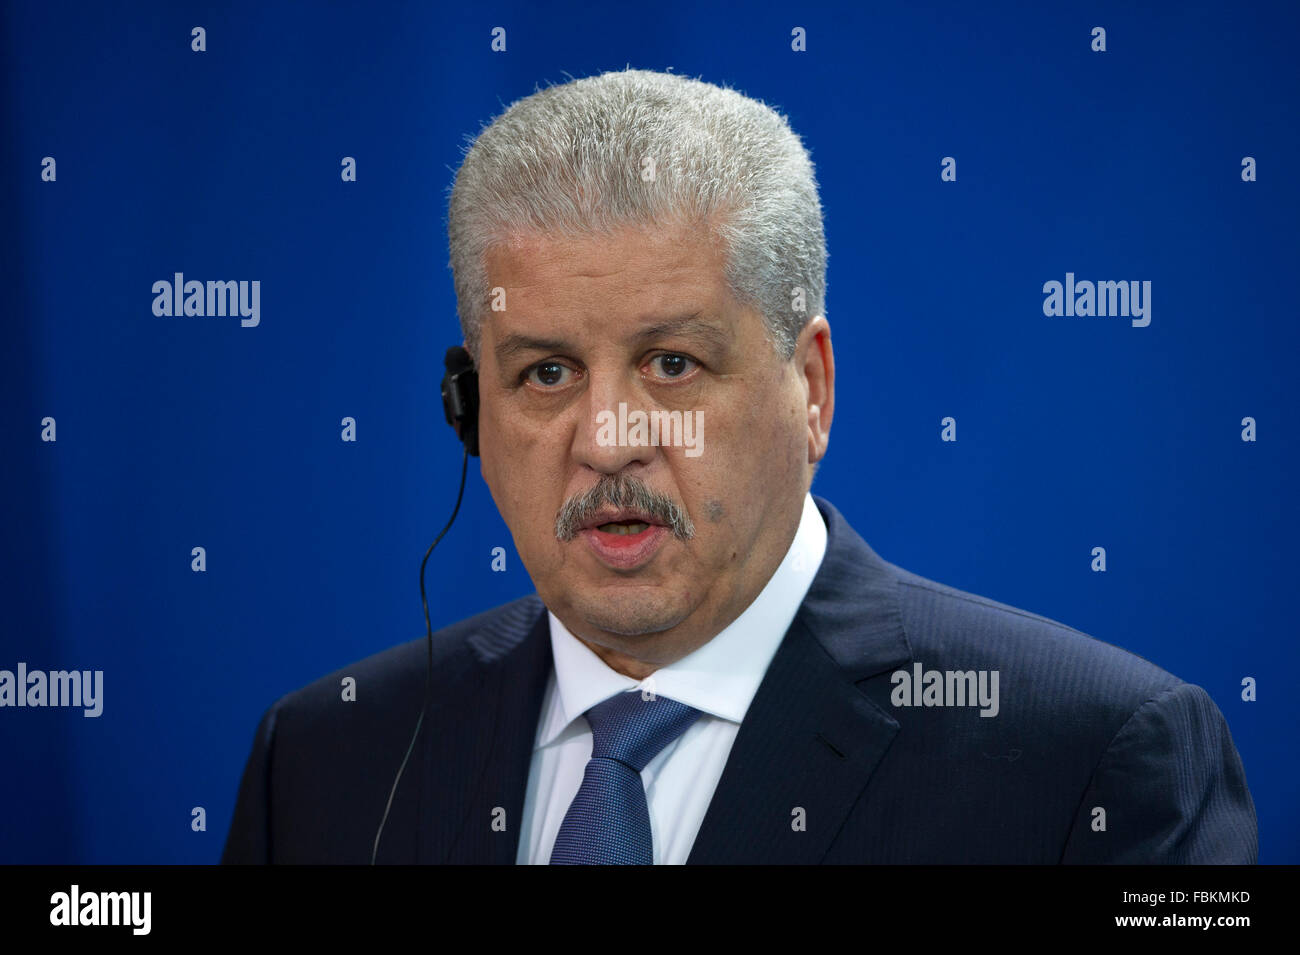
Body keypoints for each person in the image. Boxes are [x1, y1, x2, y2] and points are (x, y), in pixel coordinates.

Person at [221, 68, 1256, 864]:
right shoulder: (324, 761)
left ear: (810, 388)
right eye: (544, 372)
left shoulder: (1096, 758)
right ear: (468, 408)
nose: (609, 437)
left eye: (671, 363)